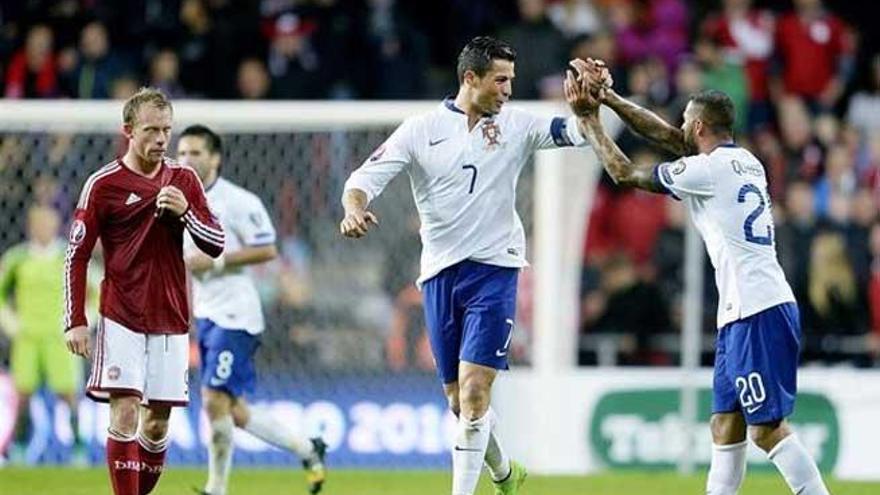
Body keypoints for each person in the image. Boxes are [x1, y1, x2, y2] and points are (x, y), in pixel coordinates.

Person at [339, 36, 594, 495]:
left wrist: (591, 107)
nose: (508, 90)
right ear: (470, 79)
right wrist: (354, 209)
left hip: (495, 271)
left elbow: (574, 133)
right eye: (500, 80)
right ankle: (503, 473)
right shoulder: (421, 130)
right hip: (438, 276)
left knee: (476, 394)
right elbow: (361, 180)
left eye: (511, 81)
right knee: (460, 403)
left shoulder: (516, 125)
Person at [572, 58, 831, 495]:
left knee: (767, 431)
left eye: (685, 122)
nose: (679, 128)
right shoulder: (745, 162)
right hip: (743, 310)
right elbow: (668, 136)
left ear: (698, 128)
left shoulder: (707, 171)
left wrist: (589, 120)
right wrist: (613, 98)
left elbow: (623, 172)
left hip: (758, 308)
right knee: (724, 426)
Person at [64, 87, 225, 495]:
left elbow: (216, 243)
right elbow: (77, 255)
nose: (160, 139)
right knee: (124, 411)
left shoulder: (184, 180)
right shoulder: (104, 184)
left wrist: (186, 214)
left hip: (170, 315)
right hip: (121, 314)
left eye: (166, 130)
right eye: (151, 130)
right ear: (128, 131)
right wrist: (76, 321)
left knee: (157, 422)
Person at [177, 125, 326, 495]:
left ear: (215, 158)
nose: (186, 160)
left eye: (195, 153)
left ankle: (216, 488)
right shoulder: (177, 200)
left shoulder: (238, 201)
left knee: (213, 399)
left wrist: (215, 262)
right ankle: (308, 448)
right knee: (234, 410)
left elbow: (267, 248)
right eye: (181, 153)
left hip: (236, 314)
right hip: (207, 314)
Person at [0, 206, 88, 463]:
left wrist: (83, 320)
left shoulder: (68, 256)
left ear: (56, 226)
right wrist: (10, 322)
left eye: (48, 223)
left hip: (60, 338)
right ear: (30, 226)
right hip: (26, 337)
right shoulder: (17, 258)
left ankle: (79, 447)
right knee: (24, 395)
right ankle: (18, 448)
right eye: (38, 223)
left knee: (69, 394)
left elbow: (95, 290)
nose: (43, 228)